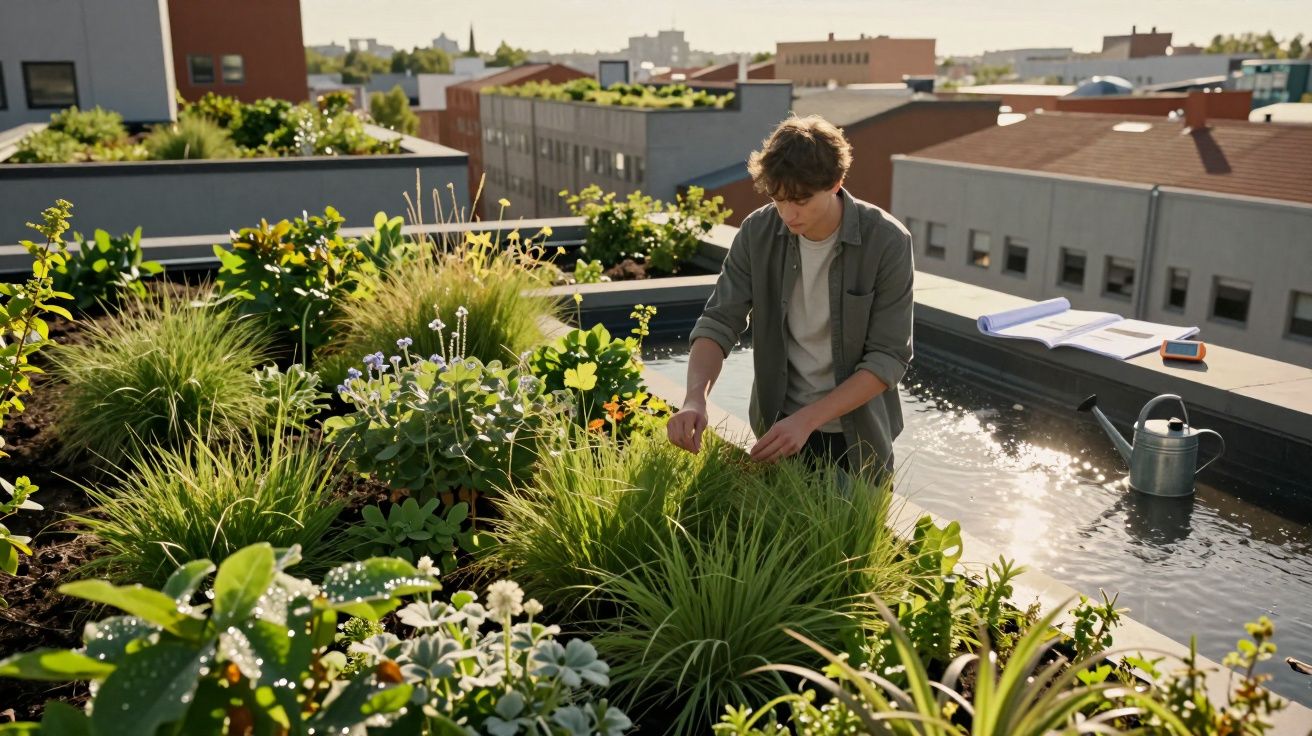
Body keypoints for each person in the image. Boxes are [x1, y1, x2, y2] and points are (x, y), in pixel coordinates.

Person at [665, 115, 913, 477]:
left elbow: (888, 358)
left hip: (859, 438)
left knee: (854, 534)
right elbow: (719, 320)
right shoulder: (757, 232)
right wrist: (694, 399)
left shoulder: (888, 242)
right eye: (778, 199)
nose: (788, 214)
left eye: (800, 200)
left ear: (836, 183)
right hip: (777, 427)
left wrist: (807, 420)